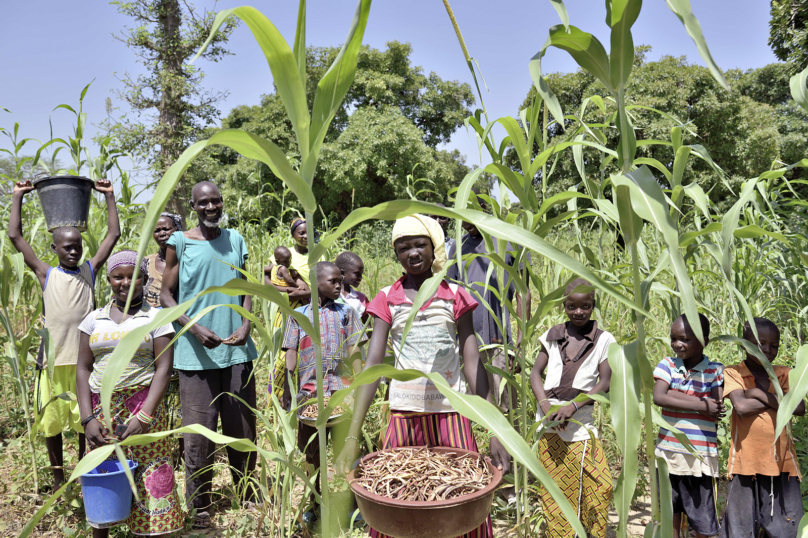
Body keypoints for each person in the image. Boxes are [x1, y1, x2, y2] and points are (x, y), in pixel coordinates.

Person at [336, 214, 510, 538]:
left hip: (451, 415)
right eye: (404, 248)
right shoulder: (387, 297)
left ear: (435, 248)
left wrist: (496, 429)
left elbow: (472, 362)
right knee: (398, 498)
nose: (413, 253)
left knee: (459, 496)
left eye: (420, 245)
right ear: (396, 254)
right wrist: (351, 436)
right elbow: (374, 366)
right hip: (404, 417)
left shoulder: (455, 295)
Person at [8, 178, 120, 489]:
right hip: (53, 365)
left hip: (86, 365)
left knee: (88, 423)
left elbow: (113, 235)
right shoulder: (46, 273)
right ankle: (59, 479)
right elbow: (15, 235)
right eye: (67, 247)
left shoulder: (89, 271)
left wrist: (109, 196)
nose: (73, 252)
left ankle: (85, 471)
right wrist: (18, 195)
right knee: (52, 424)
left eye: (78, 247)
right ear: (54, 248)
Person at [160, 180, 259, 528]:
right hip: (196, 355)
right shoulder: (180, 242)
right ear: (193, 206)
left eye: (216, 201)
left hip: (236, 351)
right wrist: (194, 328)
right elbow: (166, 297)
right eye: (203, 203)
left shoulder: (236, 239)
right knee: (199, 433)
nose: (211, 207)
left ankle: (248, 498)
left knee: (243, 429)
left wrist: (246, 323)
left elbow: (247, 288)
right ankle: (199, 507)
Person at [76, 251, 184, 537]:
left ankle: (149, 530)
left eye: (134, 276)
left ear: (144, 279)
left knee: (150, 476)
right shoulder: (93, 320)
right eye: (118, 277)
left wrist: (145, 416)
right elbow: (83, 369)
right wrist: (88, 418)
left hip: (144, 410)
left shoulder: (156, 317)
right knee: (104, 476)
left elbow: (164, 368)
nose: (126, 282)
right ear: (109, 280)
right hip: (103, 413)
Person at [280, 261, 367, 521]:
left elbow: (354, 349)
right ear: (316, 284)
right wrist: (288, 386)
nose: (339, 285)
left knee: (347, 449)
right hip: (309, 397)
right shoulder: (299, 315)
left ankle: (353, 506)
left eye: (341, 280)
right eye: (333, 281)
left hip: (341, 393)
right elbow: (291, 353)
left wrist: (360, 380)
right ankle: (314, 504)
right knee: (311, 455)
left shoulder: (347, 313)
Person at [530, 278, 615, 538]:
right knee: (557, 493)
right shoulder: (553, 334)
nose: (578, 312)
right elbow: (535, 373)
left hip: (580, 425)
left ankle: (590, 532)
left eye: (585, 306)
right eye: (571, 307)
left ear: (593, 306)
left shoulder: (604, 340)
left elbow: (605, 382)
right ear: (564, 306)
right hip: (550, 424)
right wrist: (545, 405)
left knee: (602, 485)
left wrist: (572, 408)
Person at [719, 318, 804, 538]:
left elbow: (799, 407)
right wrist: (778, 399)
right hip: (747, 462)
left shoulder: (784, 374)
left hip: (781, 464)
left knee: (785, 528)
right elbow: (741, 406)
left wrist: (757, 393)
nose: (767, 350)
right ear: (743, 344)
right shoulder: (733, 373)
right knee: (741, 528)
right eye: (759, 343)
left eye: (773, 345)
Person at [447, 190, 531, 412]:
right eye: (461, 218)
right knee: (471, 411)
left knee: (506, 409)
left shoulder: (511, 241)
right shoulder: (458, 247)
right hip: (465, 341)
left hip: (499, 341)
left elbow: (524, 293)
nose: (465, 224)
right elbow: (451, 295)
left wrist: (520, 346)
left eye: (470, 215)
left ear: (485, 209)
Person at [653, 313, 724, 538]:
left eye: (684, 339)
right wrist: (701, 405)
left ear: (704, 340)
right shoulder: (667, 364)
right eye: (673, 338)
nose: (677, 344)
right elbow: (659, 397)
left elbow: (717, 407)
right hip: (668, 457)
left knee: (703, 522)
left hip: (699, 459)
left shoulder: (715, 370)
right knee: (669, 515)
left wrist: (676, 393)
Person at [144, 212, 185, 459]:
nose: (161, 233)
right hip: (152, 336)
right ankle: (160, 446)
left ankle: (181, 450)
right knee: (156, 387)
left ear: (178, 230)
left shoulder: (187, 258)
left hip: (181, 331)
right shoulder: (145, 262)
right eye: (157, 230)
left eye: (166, 229)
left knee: (180, 391)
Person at [335, 251, 369, 321]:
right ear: (342, 273)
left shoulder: (362, 299)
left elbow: (367, 326)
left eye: (361, 274)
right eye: (357, 274)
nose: (360, 277)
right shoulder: (330, 297)